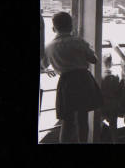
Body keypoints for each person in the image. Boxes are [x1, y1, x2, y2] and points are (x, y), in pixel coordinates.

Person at [41, 12, 103, 143]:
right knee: (82, 119)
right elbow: (94, 60)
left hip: (66, 82)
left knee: (67, 121)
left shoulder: (49, 47)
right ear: (71, 26)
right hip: (83, 80)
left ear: (53, 29)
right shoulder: (78, 41)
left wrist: (49, 69)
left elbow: (43, 65)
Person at [100, 53, 121, 143]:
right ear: (111, 63)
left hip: (103, 103)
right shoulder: (116, 75)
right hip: (113, 103)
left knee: (98, 122)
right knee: (113, 126)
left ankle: (99, 139)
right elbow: (119, 90)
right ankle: (114, 141)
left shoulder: (100, 76)